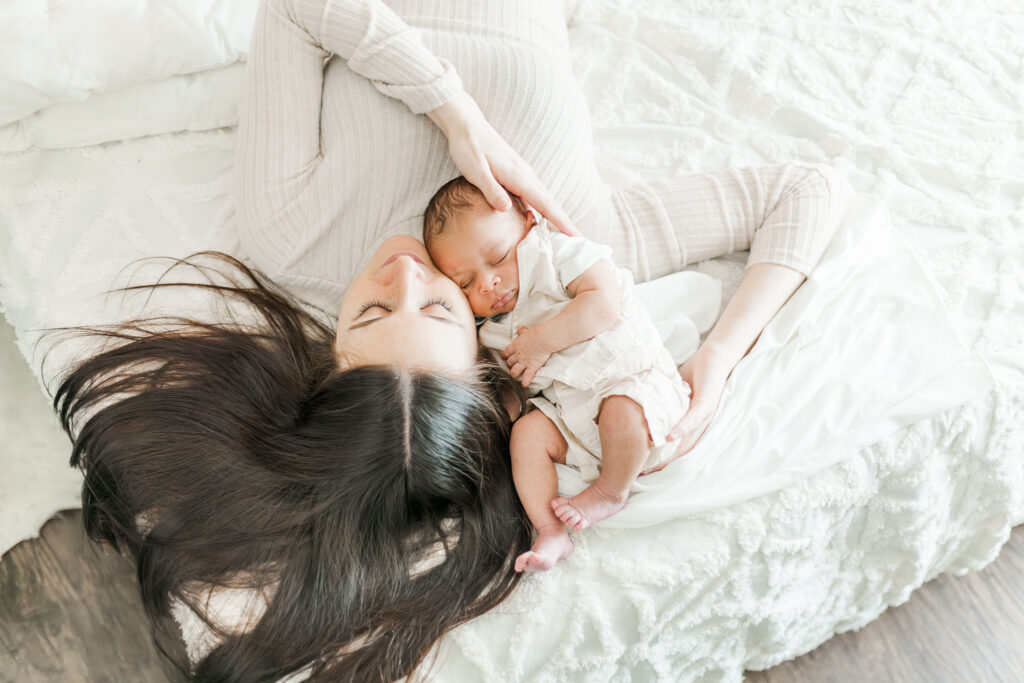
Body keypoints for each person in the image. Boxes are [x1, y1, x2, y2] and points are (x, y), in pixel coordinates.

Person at [51, 0, 853, 680]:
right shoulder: (567, 247)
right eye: (436, 312)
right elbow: (804, 190)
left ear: (330, 353)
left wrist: (453, 111)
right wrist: (717, 356)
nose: (402, 276)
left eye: (370, 314)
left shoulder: (293, 238)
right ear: (482, 349)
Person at [423, 176, 693, 571]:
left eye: (498, 257)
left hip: (639, 392)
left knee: (621, 407)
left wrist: (543, 340)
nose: (487, 283)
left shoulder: (559, 254)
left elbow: (604, 305)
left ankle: (609, 491)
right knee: (527, 435)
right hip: (577, 423)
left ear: (531, 222)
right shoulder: (491, 327)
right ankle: (550, 530)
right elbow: (508, 383)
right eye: (465, 282)